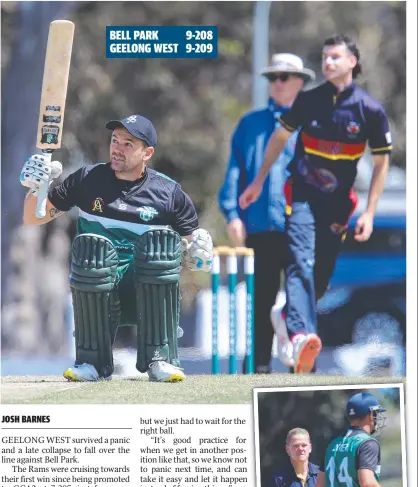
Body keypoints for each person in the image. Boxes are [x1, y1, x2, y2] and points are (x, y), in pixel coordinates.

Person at [239, 35, 393, 374]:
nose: (328, 63)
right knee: (301, 262)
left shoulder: (370, 110)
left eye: (335, 57)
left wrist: (369, 212)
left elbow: (382, 163)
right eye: (324, 57)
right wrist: (259, 181)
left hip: (338, 205)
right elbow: (280, 139)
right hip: (303, 196)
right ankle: (299, 336)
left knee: (319, 278)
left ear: (352, 62)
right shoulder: (308, 101)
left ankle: (285, 315)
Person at [20, 114, 213, 383]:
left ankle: (160, 358)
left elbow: (195, 250)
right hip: (98, 281)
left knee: (158, 250)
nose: (117, 149)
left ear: (147, 153)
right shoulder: (87, 179)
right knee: (94, 250)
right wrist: (36, 188)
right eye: (114, 140)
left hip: (146, 283)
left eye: (127, 144)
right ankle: (91, 362)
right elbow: (33, 217)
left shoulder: (169, 192)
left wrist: (198, 254)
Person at [218, 54, 315, 372]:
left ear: (300, 82)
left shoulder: (314, 123)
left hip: (302, 224)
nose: (277, 83)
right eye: (273, 78)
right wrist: (232, 213)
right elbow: (236, 170)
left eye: (284, 78)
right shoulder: (251, 124)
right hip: (261, 224)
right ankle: (258, 364)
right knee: (262, 298)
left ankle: (302, 363)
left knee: (301, 295)